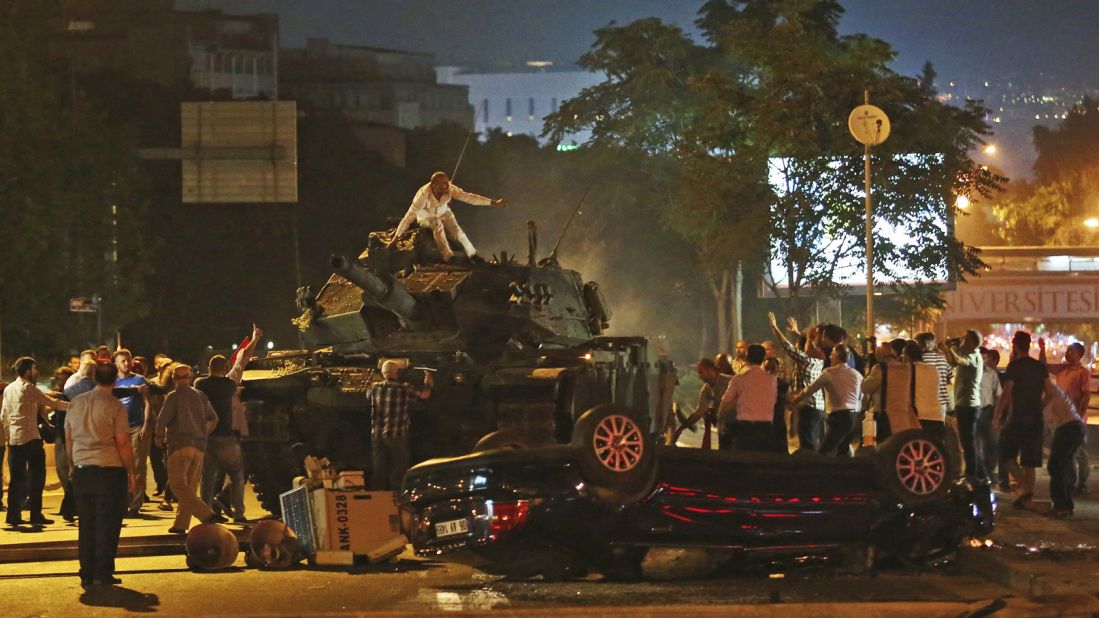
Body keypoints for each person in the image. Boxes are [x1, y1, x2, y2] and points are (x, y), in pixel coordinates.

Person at [65, 361, 136, 588]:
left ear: (94, 378)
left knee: (86, 523)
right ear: (115, 380)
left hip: (83, 470)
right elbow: (123, 442)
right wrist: (131, 471)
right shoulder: (115, 406)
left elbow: (69, 438)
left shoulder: (75, 403)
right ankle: (103, 572)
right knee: (108, 523)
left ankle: (86, 571)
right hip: (109, 470)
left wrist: (72, 464)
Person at [196, 325, 262, 523]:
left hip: (206, 437)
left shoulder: (199, 384)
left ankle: (205, 513)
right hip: (226, 437)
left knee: (207, 478)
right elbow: (242, 361)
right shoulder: (229, 384)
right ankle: (239, 512)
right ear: (224, 369)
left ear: (209, 369)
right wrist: (255, 338)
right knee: (237, 474)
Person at [2, 357, 70, 526]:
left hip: (14, 440)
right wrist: (75, 405)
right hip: (31, 439)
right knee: (37, 477)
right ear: (27, 371)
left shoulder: (9, 389)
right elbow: (52, 403)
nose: (36, 371)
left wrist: (8, 436)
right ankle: (35, 514)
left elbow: (3, 416)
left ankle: (13, 516)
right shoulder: (29, 387)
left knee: (16, 480)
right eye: (34, 368)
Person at [387, 171, 509, 263]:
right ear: (433, 185)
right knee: (437, 224)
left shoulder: (449, 188)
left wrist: (494, 202)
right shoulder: (422, 196)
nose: (445, 188)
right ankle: (448, 255)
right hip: (426, 217)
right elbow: (409, 217)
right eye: (441, 186)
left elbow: (469, 198)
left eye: (446, 184)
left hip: (444, 212)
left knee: (457, 231)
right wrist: (396, 237)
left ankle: (472, 254)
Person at [156, 364, 219, 534]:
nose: (182, 381)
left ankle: (206, 514)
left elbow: (163, 420)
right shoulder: (200, 396)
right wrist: (202, 432)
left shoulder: (173, 397)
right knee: (189, 488)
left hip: (179, 444)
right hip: (198, 446)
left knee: (177, 485)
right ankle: (181, 524)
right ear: (190, 377)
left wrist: (158, 436)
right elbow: (213, 418)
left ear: (174, 379)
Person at [994, 331, 1047, 510]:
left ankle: (1025, 490)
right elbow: (1052, 392)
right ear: (1029, 345)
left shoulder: (1014, 366)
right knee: (1029, 462)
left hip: (1018, 418)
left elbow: (1007, 392)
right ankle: (1026, 497)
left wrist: (997, 414)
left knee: (1006, 455)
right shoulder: (1039, 367)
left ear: (1015, 346)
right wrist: (1040, 406)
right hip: (1035, 418)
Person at [369, 361, 433, 490]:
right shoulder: (404, 388)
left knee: (379, 469)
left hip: (377, 435)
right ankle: (397, 497)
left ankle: (378, 497)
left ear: (382, 373)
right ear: (397, 373)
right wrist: (428, 382)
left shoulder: (374, 388)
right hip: (397, 435)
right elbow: (425, 395)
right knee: (399, 468)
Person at [1039, 339, 1091, 495]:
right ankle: (1070, 482)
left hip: (1075, 419)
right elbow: (1044, 366)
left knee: (1078, 452)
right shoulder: (1062, 369)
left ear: (1080, 354)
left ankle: (1081, 482)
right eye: (1067, 350)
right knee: (1064, 452)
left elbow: (1086, 396)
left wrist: (1080, 415)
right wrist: (1042, 348)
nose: (1067, 353)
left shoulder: (1083, 373)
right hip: (1060, 418)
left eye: (1071, 351)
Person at [768, 313, 825, 452]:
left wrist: (774, 327)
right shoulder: (818, 360)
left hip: (808, 407)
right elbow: (807, 347)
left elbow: (787, 346)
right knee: (814, 442)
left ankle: (809, 470)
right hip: (818, 407)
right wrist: (798, 333)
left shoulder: (805, 360)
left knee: (807, 445)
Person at [792, 344, 862, 457]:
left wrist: (796, 399)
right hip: (854, 416)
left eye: (832, 354)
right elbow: (861, 396)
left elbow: (810, 389)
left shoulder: (829, 373)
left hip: (840, 416)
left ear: (838, 357)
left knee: (824, 452)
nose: (829, 357)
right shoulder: (856, 374)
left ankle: (822, 473)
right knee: (843, 451)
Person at [57, 353, 99, 523]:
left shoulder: (68, 391)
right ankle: (83, 508)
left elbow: (62, 418)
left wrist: (63, 436)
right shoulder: (98, 390)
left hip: (74, 434)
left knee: (75, 473)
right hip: (92, 436)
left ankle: (68, 507)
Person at [717, 344, 779, 452]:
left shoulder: (738, 379)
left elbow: (725, 402)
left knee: (744, 462)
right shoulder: (772, 380)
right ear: (764, 358)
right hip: (766, 428)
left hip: (744, 428)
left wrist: (719, 419)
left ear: (747, 358)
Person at [941, 330, 986, 481]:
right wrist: (949, 349)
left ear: (973, 342)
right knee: (968, 442)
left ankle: (972, 475)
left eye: (965, 339)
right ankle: (980, 474)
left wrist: (949, 348)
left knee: (968, 443)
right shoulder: (971, 355)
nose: (962, 341)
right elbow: (953, 361)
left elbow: (958, 361)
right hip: (965, 404)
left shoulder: (973, 357)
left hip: (968, 405)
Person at [111, 349, 150, 517]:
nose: (126, 364)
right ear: (116, 364)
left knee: (137, 466)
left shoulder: (139, 379)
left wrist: (146, 425)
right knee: (119, 467)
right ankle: (122, 501)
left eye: (128, 360)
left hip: (136, 427)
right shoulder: (112, 382)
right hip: (117, 430)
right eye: (123, 361)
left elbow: (148, 403)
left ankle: (135, 504)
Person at [1042, 379, 1085, 518]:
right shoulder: (1052, 388)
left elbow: (1048, 419)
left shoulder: (1048, 391)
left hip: (1068, 428)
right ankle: (1066, 505)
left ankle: (1061, 506)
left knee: (1055, 466)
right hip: (1074, 426)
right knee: (1062, 466)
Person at [673, 358, 730, 450]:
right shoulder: (707, 388)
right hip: (724, 427)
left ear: (711, 370)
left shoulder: (729, 382)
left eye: (701, 372)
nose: (699, 376)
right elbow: (699, 411)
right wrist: (681, 429)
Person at [977, 347, 1003, 489]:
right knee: (974, 446)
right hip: (972, 412)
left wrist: (997, 414)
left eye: (985, 358)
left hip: (988, 412)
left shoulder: (991, 374)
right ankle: (977, 474)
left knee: (992, 445)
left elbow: (998, 394)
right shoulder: (967, 372)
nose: (983, 360)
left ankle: (989, 472)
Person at [762, 357, 790, 453]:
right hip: (763, 423)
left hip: (778, 423)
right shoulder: (758, 385)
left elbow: (789, 405)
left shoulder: (783, 385)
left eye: (772, 368)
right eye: (766, 368)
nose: (769, 371)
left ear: (778, 370)